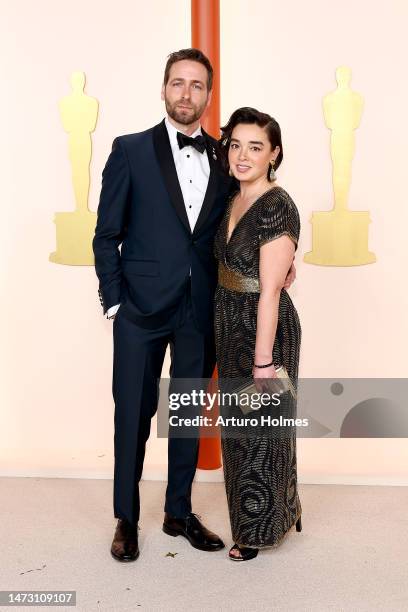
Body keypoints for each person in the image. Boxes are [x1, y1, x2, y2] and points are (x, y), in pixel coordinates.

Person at [93, 49, 296, 563]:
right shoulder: (130, 150)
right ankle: (126, 517)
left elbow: (244, 224)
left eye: (197, 85)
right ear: (163, 89)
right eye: (178, 83)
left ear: (209, 95)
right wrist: (116, 302)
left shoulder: (223, 157)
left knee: (185, 416)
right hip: (138, 310)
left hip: (200, 311)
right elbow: (106, 234)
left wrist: (287, 262)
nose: (187, 93)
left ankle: (178, 511)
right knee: (133, 416)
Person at [213, 107, 303, 561]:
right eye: (235, 145)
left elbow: (269, 291)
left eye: (255, 147)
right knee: (240, 430)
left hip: (263, 329)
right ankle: (287, 508)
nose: (242, 155)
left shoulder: (277, 204)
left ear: (274, 154)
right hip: (230, 324)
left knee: (260, 432)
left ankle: (257, 531)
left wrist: (264, 361)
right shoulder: (232, 196)